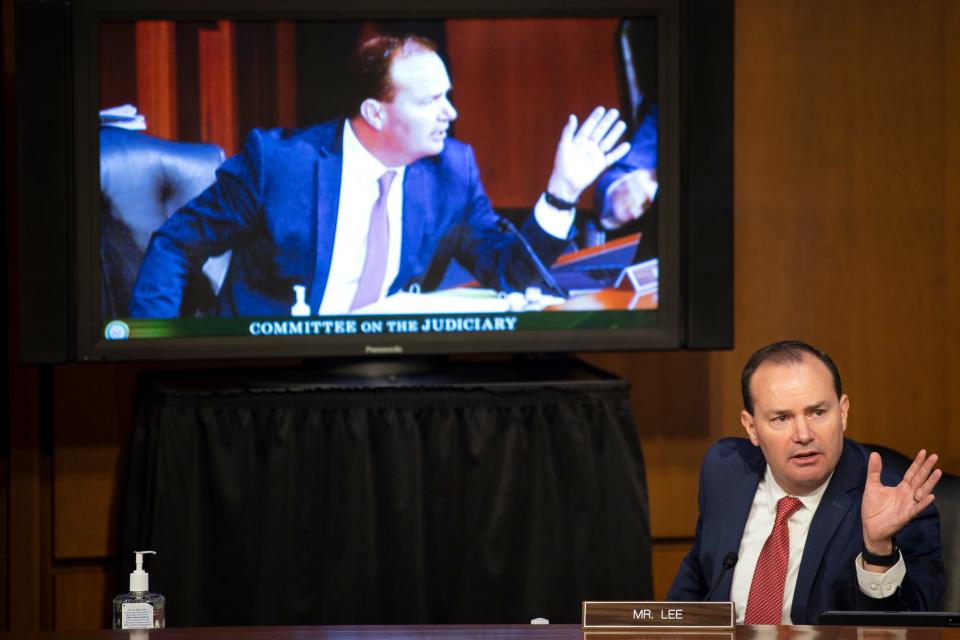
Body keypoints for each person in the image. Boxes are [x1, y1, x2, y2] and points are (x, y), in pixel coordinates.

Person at [129, 35, 630, 318]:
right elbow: (176, 244)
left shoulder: (452, 170)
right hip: (269, 375)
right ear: (375, 112)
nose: (450, 113)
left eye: (447, 95)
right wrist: (159, 352)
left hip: (390, 373)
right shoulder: (280, 164)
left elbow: (511, 271)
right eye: (430, 101)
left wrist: (562, 194)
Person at [668, 340, 944, 624]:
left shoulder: (898, 501)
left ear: (843, 411)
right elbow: (694, 587)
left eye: (818, 412)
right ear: (751, 427)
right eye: (782, 418)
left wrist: (878, 550)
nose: (803, 434)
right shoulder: (726, 469)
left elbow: (911, 628)